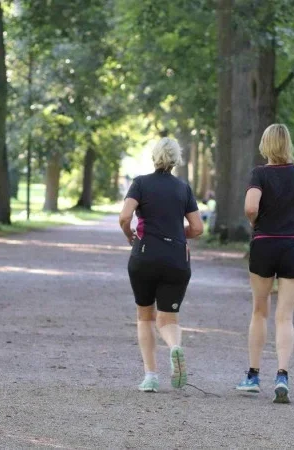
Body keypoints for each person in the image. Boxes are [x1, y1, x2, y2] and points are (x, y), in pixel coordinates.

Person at [236, 124, 294, 403]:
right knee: (285, 316)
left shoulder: (259, 174)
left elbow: (250, 207)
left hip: (265, 244)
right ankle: (282, 375)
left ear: (265, 145)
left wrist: (255, 221)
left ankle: (253, 375)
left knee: (260, 311)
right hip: (293, 245)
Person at [119, 137, 204, 392]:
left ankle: (151, 377)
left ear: (154, 157)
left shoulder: (140, 183)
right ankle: (174, 346)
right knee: (168, 318)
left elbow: (125, 216)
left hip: (145, 255)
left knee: (145, 316)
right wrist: (177, 235)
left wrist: (129, 234)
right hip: (176, 258)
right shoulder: (183, 189)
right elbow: (197, 227)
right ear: (177, 159)